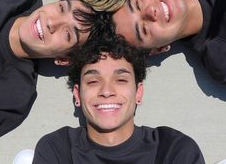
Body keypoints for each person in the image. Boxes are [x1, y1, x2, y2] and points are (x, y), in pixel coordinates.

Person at [0, 0, 109, 143]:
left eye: (68, 34)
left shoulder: (13, 96)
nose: (52, 23)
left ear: (63, 59)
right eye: (62, 8)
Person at [32, 37, 205, 164]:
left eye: (121, 80)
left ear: (138, 92)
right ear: (77, 95)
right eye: (93, 81)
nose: (106, 91)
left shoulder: (172, 148)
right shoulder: (59, 149)